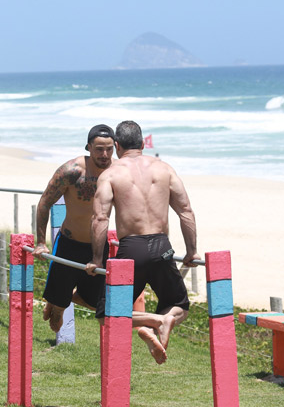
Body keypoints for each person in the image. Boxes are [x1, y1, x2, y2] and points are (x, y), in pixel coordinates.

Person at [86, 121, 201, 364]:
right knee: (179, 307)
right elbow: (186, 211)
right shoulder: (165, 169)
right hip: (162, 246)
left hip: (131, 249)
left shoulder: (111, 174)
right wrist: (192, 251)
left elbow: (100, 218)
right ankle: (163, 320)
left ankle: (156, 322)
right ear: (142, 143)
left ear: (117, 146)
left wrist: (97, 259)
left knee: (106, 315)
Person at [33, 124, 115, 333]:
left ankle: (61, 298)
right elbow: (44, 203)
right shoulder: (72, 171)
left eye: (109, 148)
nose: (104, 154)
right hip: (69, 244)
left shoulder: (118, 173)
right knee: (54, 321)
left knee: (98, 303)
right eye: (99, 149)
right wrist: (41, 243)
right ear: (88, 147)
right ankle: (58, 304)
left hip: (97, 247)